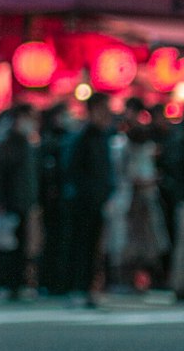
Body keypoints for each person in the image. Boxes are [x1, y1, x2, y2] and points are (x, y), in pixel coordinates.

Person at [67, 91, 116, 308]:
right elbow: (74, 171)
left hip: (97, 201)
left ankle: (86, 288)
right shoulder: (84, 138)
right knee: (83, 247)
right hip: (85, 202)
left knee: (92, 247)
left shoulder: (102, 137)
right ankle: (79, 288)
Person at [0, 103, 38, 300]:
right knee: (5, 248)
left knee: (17, 247)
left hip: (20, 203)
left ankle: (15, 284)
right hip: (9, 204)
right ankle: (2, 283)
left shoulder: (24, 143)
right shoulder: (9, 143)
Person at [122, 121, 170, 291]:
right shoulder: (131, 152)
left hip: (146, 202)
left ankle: (144, 280)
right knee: (138, 245)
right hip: (137, 203)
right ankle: (137, 281)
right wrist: (152, 180)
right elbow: (133, 178)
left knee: (148, 245)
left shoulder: (144, 150)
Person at [37, 101, 74, 296]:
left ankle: (58, 282)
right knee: (52, 242)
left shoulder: (67, 139)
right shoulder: (50, 142)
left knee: (59, 242)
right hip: (53, 203)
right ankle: (50, 282)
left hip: (61, 201)